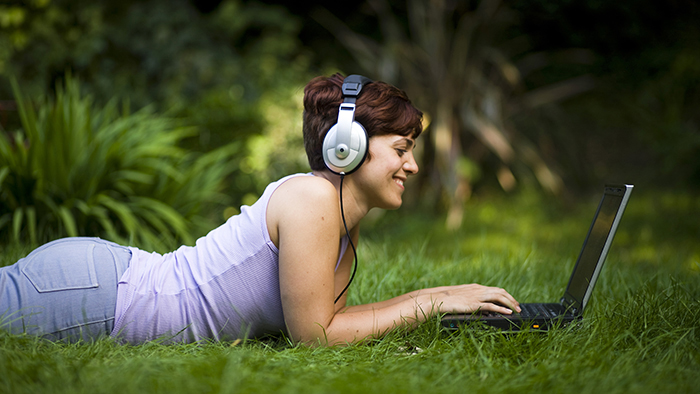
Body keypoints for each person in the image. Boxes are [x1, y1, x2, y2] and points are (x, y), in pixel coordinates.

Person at [0, 73, 520, 345]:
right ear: (348, 147)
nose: (411, 166)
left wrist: (446, 295)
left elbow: (326, 319)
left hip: (101, 283)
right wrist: (432, 304)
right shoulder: (314, 200)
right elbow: (316, 338)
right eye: (401, 150)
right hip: (95, 299)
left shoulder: (341, 215)